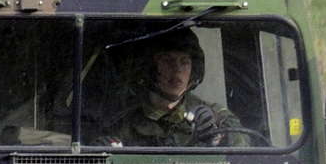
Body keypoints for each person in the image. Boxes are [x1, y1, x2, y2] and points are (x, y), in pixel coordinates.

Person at [93, 30, 249, 147]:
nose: (177, 70)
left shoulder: (214, 115)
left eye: (184, 62)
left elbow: (247, 150)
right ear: (149, 67)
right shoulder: (122, 121)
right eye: (167, 61)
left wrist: (219, 135)